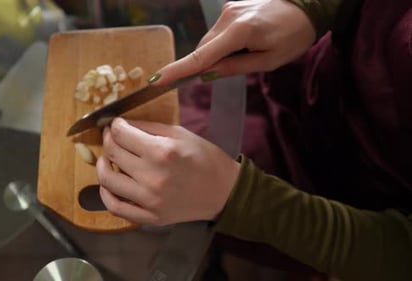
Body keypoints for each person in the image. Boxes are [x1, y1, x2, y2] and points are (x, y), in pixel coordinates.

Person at [96, 0, 412, 280]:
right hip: (302, 67)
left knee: (178, 175)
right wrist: (310, 8)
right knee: (189, 117)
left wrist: (241, 200)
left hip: (332, 194)